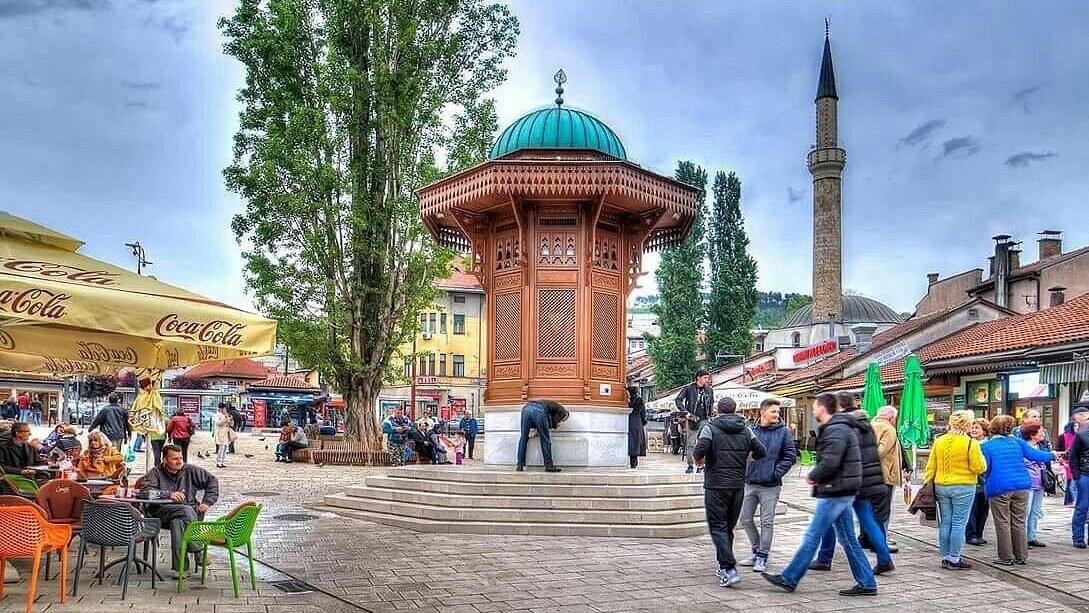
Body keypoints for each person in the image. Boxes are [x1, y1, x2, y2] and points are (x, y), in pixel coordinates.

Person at [762, 393, 876, 597]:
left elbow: (831, 461)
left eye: (815, 407)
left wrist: (813, 476)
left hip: (835, 490)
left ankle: (790, 578)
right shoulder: (841, 427)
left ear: (823, 409)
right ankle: (867, 582)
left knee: (813, 535)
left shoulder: (836, 429)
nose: (813, 410)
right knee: (848, 539)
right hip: (842, 489)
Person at [810, 396, 896, 575]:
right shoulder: (865, 424)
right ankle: (884, 558)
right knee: (869, 521)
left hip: (848, 481)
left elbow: (839, 456)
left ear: (839, 406)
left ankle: (825, 558)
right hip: (867, 479)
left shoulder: (844, 425)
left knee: (829, 519)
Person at [694, 396, 766, 587]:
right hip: (737, 486)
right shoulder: (746, 429)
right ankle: (722, 565)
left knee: (718, 527)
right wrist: (749, 456)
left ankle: (729, 568)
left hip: (716, 485)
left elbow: (700, 448)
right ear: (735, 410)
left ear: (717, 410)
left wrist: (698, 459)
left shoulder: (710, 427)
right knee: (727, 528)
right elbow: (761, 451)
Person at [981, 414, 1055, 565]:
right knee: (1019, 521)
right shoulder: (1018, 442)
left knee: (1002, 522)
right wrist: (1053, 455)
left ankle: (1006, 557)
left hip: (999, 486)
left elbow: (983, 467)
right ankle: (1021, 556)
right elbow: (1036, 455)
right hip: (1022, 485)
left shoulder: (986, 446)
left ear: (992, 428)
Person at [923, 409, 986, 570]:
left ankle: (945, 556)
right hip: (963, 486)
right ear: (966, 425)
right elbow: (979, 467)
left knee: (946, 522)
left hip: (941, 486)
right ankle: (954, 557)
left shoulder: (939, 441)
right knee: (959, 522)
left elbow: (931, 465)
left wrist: (927, 482)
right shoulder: (970, 443)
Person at [738, 398, 797, 573]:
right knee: (745, 519)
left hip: (770, 485)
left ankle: (763, 556)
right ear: (763, 412)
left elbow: (790, 456)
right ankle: (755, 551)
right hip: (750, 482)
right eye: (773, 411)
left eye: (778, 412)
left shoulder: (784, 433)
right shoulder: (750, 431)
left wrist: (775, 473)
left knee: (767, 522)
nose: (777, 415)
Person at [144, 444, 219, 578]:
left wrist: (207, 502)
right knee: (186, 510)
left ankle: (181, 569)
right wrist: (167, 494)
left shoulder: (190, 470)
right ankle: (198, 550)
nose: (179, 461)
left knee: (178, 522)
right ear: (164, 460)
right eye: (174, 459)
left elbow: (212, 481)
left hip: (186, 515)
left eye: (180, 458)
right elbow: (145, 493)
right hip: (162, 512)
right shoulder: (155, 473)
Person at [870, 406, 904, 543]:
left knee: (871, 507)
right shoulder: (889, 429)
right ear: (891, 418)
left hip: (869, 475)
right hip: (884, 474)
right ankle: (880, 539)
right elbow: (881, 451)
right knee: (882, 510)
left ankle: (869, 537)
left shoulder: (869, 426)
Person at [675, 369, 714, 474]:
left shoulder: (709, 390)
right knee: (691, 443)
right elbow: (678, 400)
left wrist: (710, 415)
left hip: (705, 419)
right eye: (705, 377)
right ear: (698, 378)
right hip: (693, 419)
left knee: (704, 443)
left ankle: (701, 465)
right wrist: (686, 412)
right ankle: (690, 465)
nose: (707, 380)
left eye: (708, 377)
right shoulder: (689, 388)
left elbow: (711, 403)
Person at [515, 399, 569, 473]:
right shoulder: (563, 412)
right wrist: (556, 425)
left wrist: (538, 430)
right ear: (566, 414)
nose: (563, 421)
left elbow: (543, 421)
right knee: (545, 440)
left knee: (523, 438)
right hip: (539, 410)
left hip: (526, 409)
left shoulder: (552, 406)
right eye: (564, 420)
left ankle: (520, 465)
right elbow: (551, 423)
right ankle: (549, 466)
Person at [1020, 424, 1050, 547]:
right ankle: (1021, 538)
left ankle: (1031, 536)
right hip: (1028, 482)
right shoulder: (1024, 447)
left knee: (1035, 511)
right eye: (1041, 432)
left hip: (1040, 482)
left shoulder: (1042, 446)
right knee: (1025, 511)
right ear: (1032, 435)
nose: (1043, 433)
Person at [965, 417, 992, 545]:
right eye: (972, 427)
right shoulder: (968, 443)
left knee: (983, 509)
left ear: (985, 431)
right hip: (973, 481)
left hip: (987, 481)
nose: (973, 430)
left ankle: (979, 533)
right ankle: (971, 534)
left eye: (977, 428)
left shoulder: (988, 444)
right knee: (972, 509)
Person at [1069, 406, 1089, 548]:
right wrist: (1077, 475)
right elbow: (1073, 456)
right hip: (1084, 474)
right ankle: (1078, 537)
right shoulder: (1081, 433)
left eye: (1076, 418)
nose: (1075, 421)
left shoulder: (1081, 432)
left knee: (1082, 506)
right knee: (1082, 506)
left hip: (1083, 473)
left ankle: (1078, 538)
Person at [1058, 419, 1078, 507]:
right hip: (1068, 462)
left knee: (1072, 483)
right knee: (1070, 483)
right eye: (1075, 426)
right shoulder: (1063, 436)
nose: (1077, 427)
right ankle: (1070, 500)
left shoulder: (1080, 436)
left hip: (1077, 462)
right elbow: (1059, 449)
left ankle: (1072, 500)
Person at [627, 386, 647, 469]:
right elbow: (643, 414)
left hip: (628, 421)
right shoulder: (639, 400)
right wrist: (644, 422)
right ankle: (634, 463)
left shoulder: (626, 401)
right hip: (637, 423)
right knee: (636, 443)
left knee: (630, 442)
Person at [212, 404, 233, 468]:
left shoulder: (226, 415)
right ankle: (219, 462)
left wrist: (230, 419)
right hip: (220, 433)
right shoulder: (217, 415)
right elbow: (218, 423)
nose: (225, 410)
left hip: (226, 433)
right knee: (221, 448)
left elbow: (231, 424)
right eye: (224, 408)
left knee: (225, 448)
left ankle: (223, 461)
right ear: (221, 409)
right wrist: (226, 419)